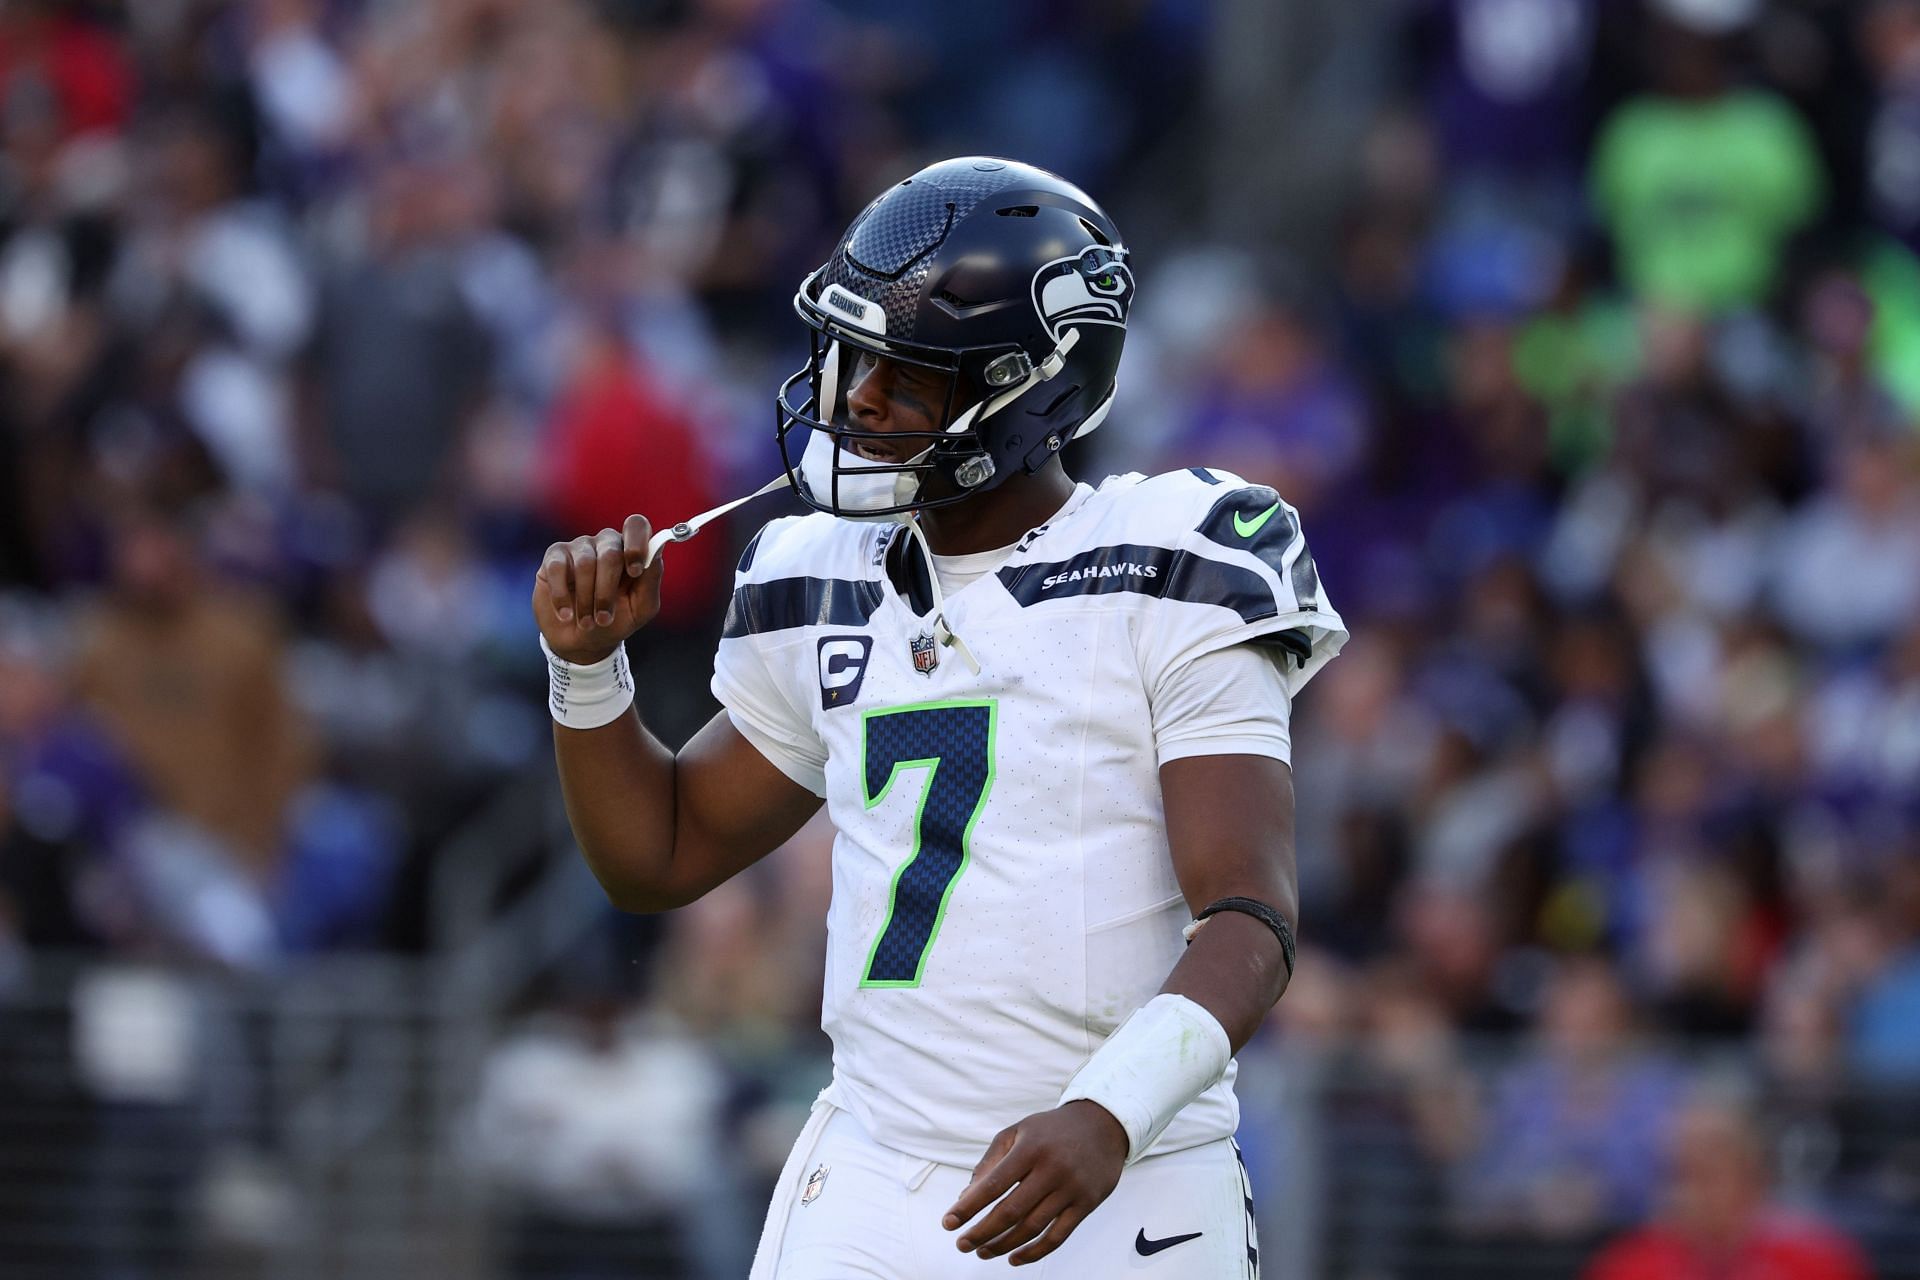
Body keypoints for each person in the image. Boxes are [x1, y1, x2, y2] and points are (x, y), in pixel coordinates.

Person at [530, 157, 1347, 1277]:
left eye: (909, 374)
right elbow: (659, 855)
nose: (859, 398)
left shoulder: (1173, 557)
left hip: (1126, 1170)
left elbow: (1251, 914)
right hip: (875, 1164)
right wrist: (587, 670)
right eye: (856, 356)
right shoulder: (815, 570)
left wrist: (1110, 1110)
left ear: (1031, 388)